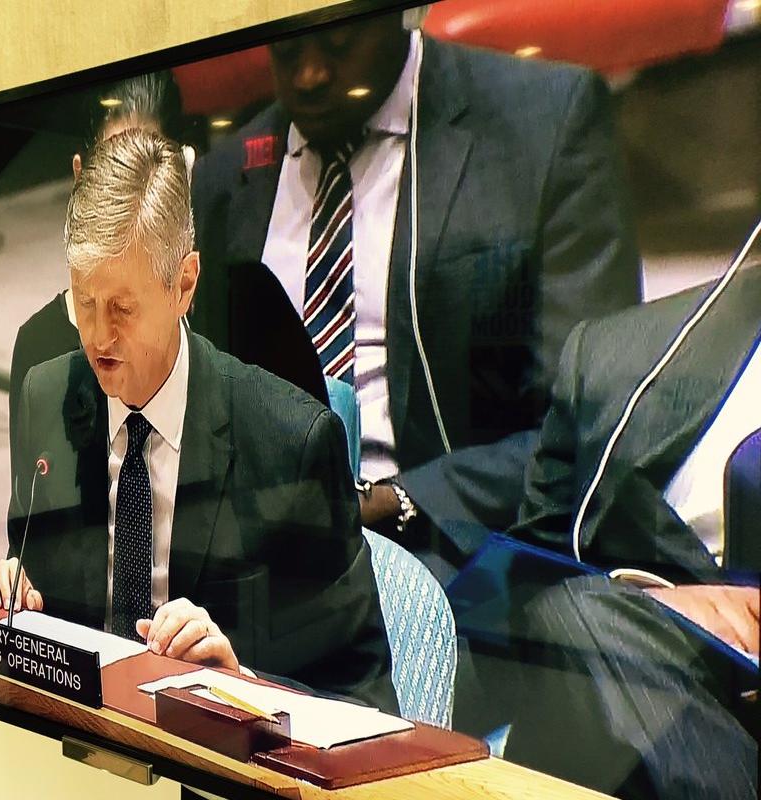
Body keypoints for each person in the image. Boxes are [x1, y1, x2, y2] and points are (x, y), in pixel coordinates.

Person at [188, 8, 642, 570]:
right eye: (286, 48)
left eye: (337, 43)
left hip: (459, 547)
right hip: (266, 557)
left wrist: (401, 501)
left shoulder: (545, 124)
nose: (309, 75)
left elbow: (596, 421)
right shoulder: (225, 179)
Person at [0, 129, 397, 710]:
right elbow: (40, 595)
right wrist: (15, 593)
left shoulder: (291, 443)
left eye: (122, 308)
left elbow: (365, 699)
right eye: (84, 303)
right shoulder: (46, 398)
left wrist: (242, 683)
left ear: (184, 285)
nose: (98, 336)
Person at [500, 255, 761, 799]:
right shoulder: (615, 359)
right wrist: (648, 604)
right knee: (574, 616)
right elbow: (526, 589)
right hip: (635, 692)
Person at [8, 71, 189, 441]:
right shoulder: (39, 350)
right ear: (80, 178)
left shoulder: (224, 310)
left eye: (148, 176)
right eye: (112, 175)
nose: (128, 195)